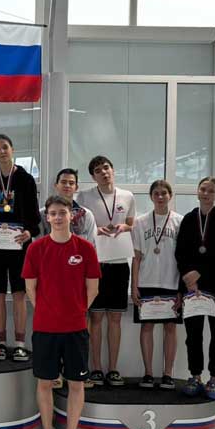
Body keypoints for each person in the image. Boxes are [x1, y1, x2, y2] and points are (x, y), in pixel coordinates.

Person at [23, 196, 100, 429]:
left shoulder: (85, 248)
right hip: (45, 328)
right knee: (45, 382)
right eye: (53, 213)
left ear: (71, 216)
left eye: (62, 213)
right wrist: (48, 311)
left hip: (75, 328)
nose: (57, 217)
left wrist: (76, 311)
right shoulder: (36, 249)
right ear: (47, 217)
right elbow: (30, 288)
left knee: (76, 383)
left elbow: (93, 289)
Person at [175, 177, 215, 401]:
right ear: (197, 192)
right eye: (203, 189)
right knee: (193, 335)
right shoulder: (189, 218)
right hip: (192, 288)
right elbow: (180, 252)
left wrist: (198, 272)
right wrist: (188, 278)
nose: (206, 193)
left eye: (211, 190)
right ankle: (195, 376)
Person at [0, 134, 41, 361]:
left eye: (5, 147)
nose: (2, 151)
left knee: (19, 294)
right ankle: (0, 343)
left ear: (12, 149)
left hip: (19, 244)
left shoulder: (26, 179)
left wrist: (29, 232)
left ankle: (19, 344)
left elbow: (35, 215)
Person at [80, 155, 135, 387]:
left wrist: (125, 226)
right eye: (98, 170)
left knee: (115, 318)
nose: (104, 172)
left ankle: (113, 369)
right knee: (95, 317)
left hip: (120, 261)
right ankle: (96, 369)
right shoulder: (84, 197)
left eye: (106, 168)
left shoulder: (127, 196)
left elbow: (131, 224)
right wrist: (98, 230)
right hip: (96, 262)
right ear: (93, 177)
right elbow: (80, 228)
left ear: (113, 170)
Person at [131, 180, 183, 390]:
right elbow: (136, 257)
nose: (160, 197)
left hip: (172, 281)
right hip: (146, 281)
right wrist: (134, 286)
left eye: (164, 193)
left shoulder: (180, 221)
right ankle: (148, 373)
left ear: (170, 195)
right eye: (156, 193)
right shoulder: (140, 222)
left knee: (170, 328)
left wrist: (181, 289)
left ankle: (168, 374)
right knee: (147, 327)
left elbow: (184, 258)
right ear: (151, 196)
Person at [39, 168, 97, 245]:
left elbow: (92, 244)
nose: (67, 185)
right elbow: (38, 244)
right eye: (63, 182)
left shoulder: (86, 215)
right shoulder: (42, 214)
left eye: (71, 183)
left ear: (76, 187)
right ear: (56, 185)